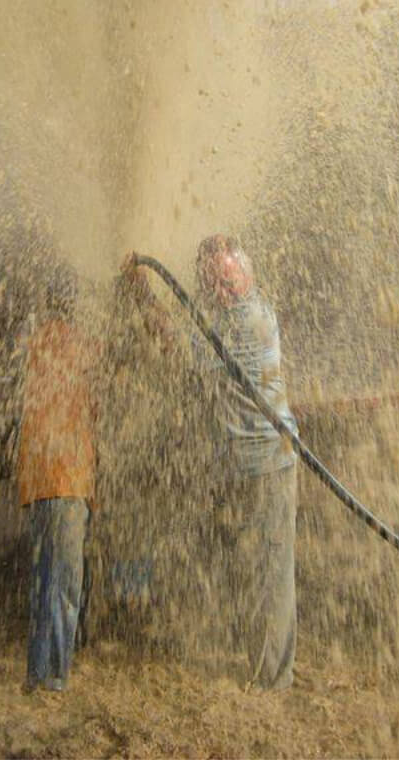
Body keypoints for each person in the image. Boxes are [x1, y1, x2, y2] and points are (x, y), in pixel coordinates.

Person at [123, 235, 298, 690]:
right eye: (210, 281)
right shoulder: (237, 313)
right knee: (248, 572)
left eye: (225, 279)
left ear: (244, 276)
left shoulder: (245, 322)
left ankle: (271, 682)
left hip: (265, 467)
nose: (217, 290)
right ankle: (261, 668)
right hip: (243, 466)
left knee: (269, 577)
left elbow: (178, 351)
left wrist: (143, 295)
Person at [16, 268, 100, 693]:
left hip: (36, 477)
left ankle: (37, 671)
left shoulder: (36, 342)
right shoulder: (82, 344)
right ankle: (52, 679)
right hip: (68, 476)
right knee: (65, 584)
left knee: (44, 578)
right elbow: (100, 397)